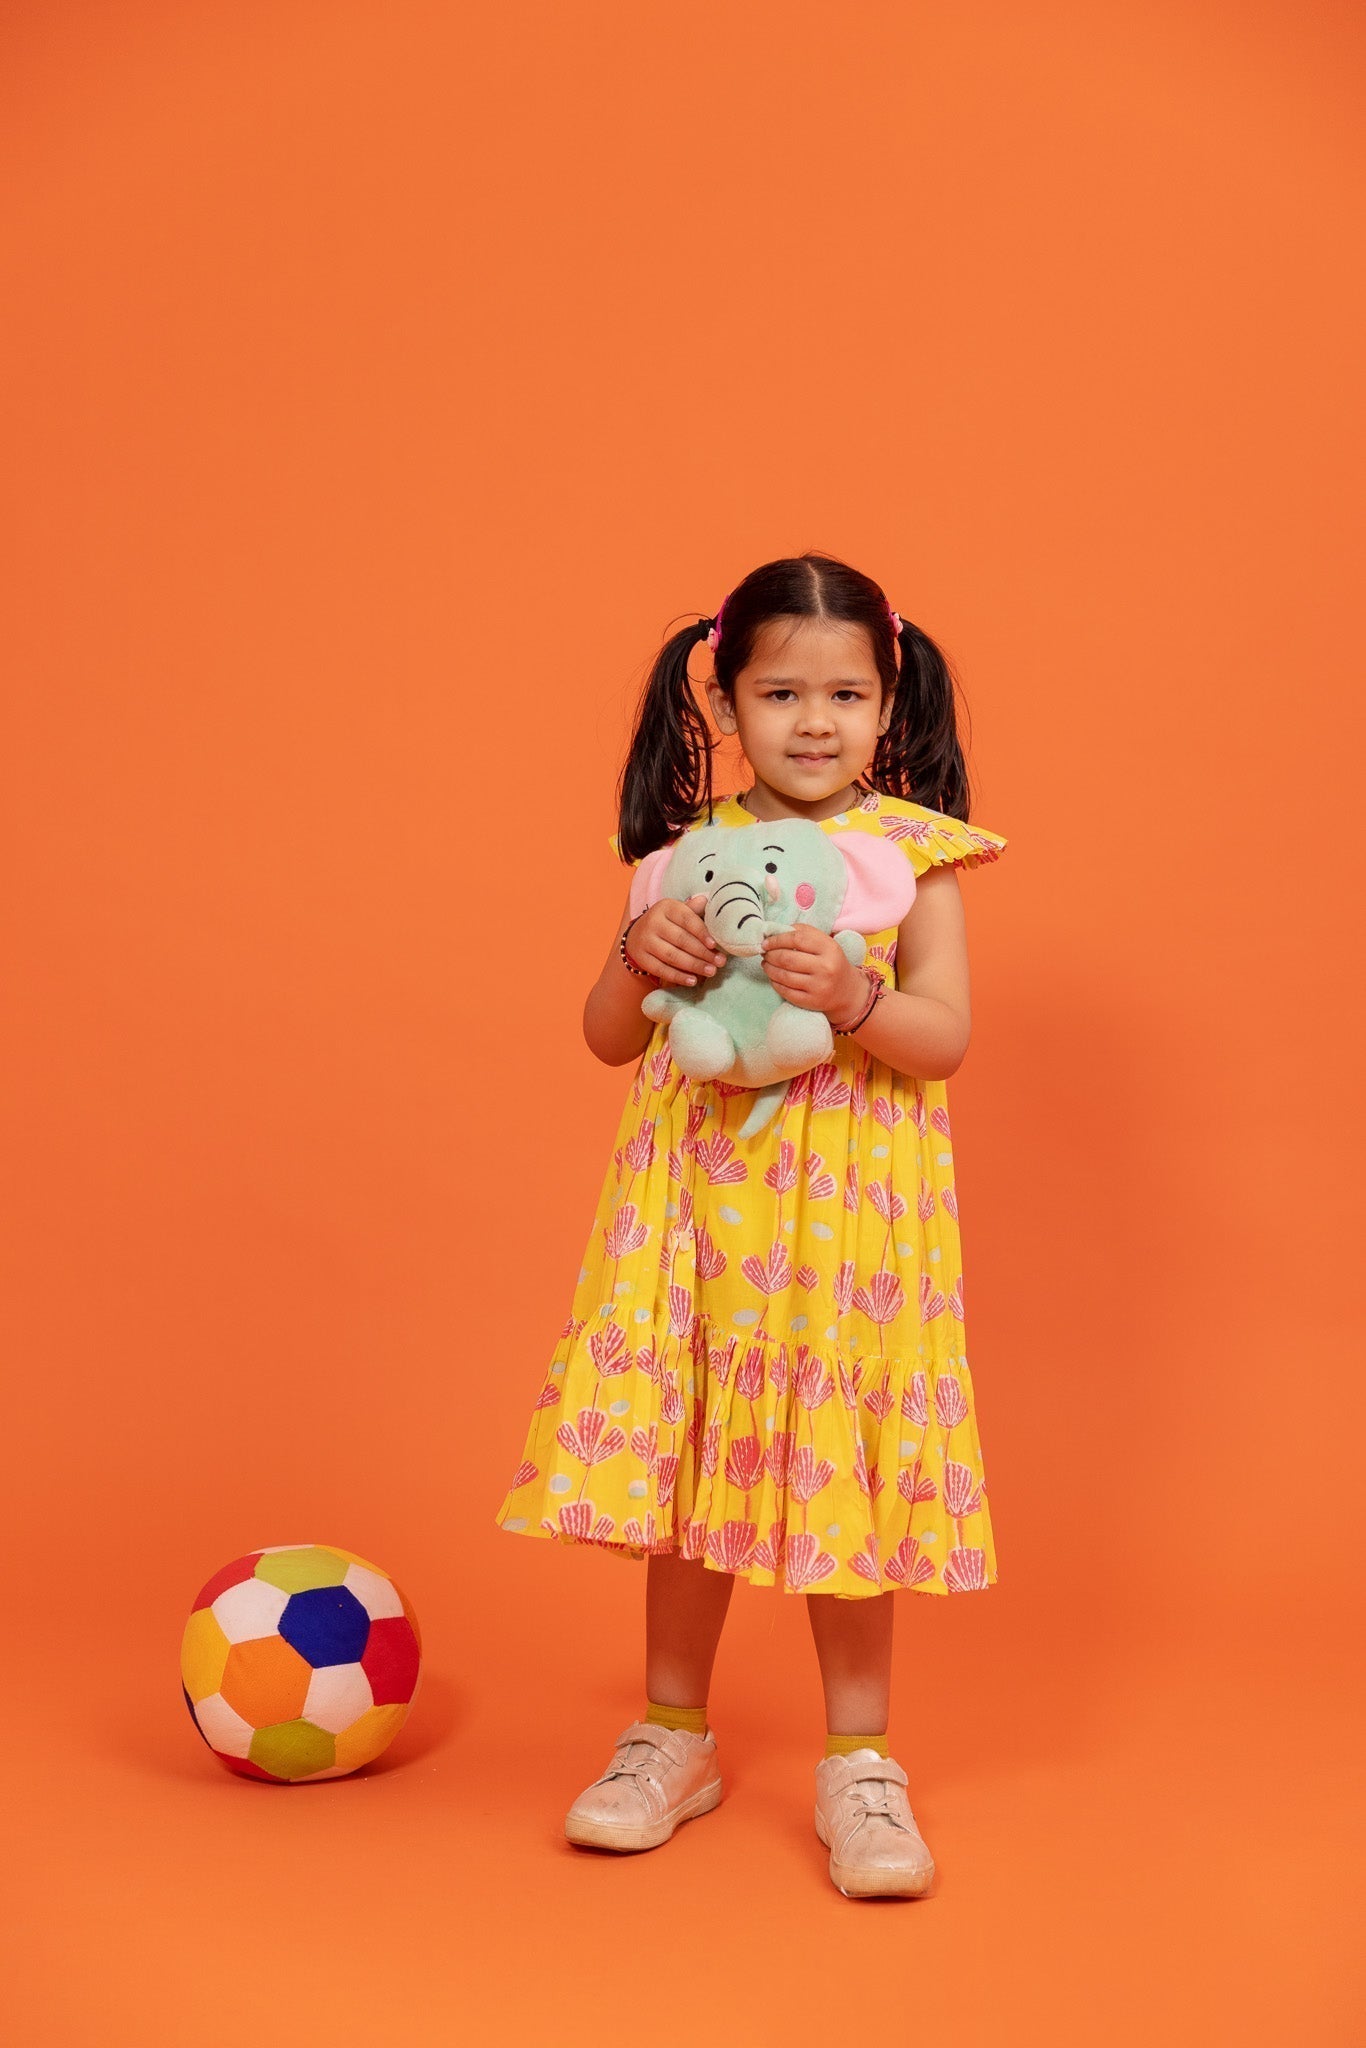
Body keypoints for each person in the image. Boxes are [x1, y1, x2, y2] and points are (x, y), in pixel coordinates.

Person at [494, 550, 1008, 1899]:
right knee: (687, 1459)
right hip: (697, 1216)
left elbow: (944, 1038)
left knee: (842, 1467)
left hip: (849, 1228)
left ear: (889, 703)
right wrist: (635, 959)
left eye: (845, 693)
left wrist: (853, 997)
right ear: (722, 701)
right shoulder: (681, 860)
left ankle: (859, 1759)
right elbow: (609, 1038)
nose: (814, 721)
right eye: (780, 693)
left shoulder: (912, 861)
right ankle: (670, 1734)